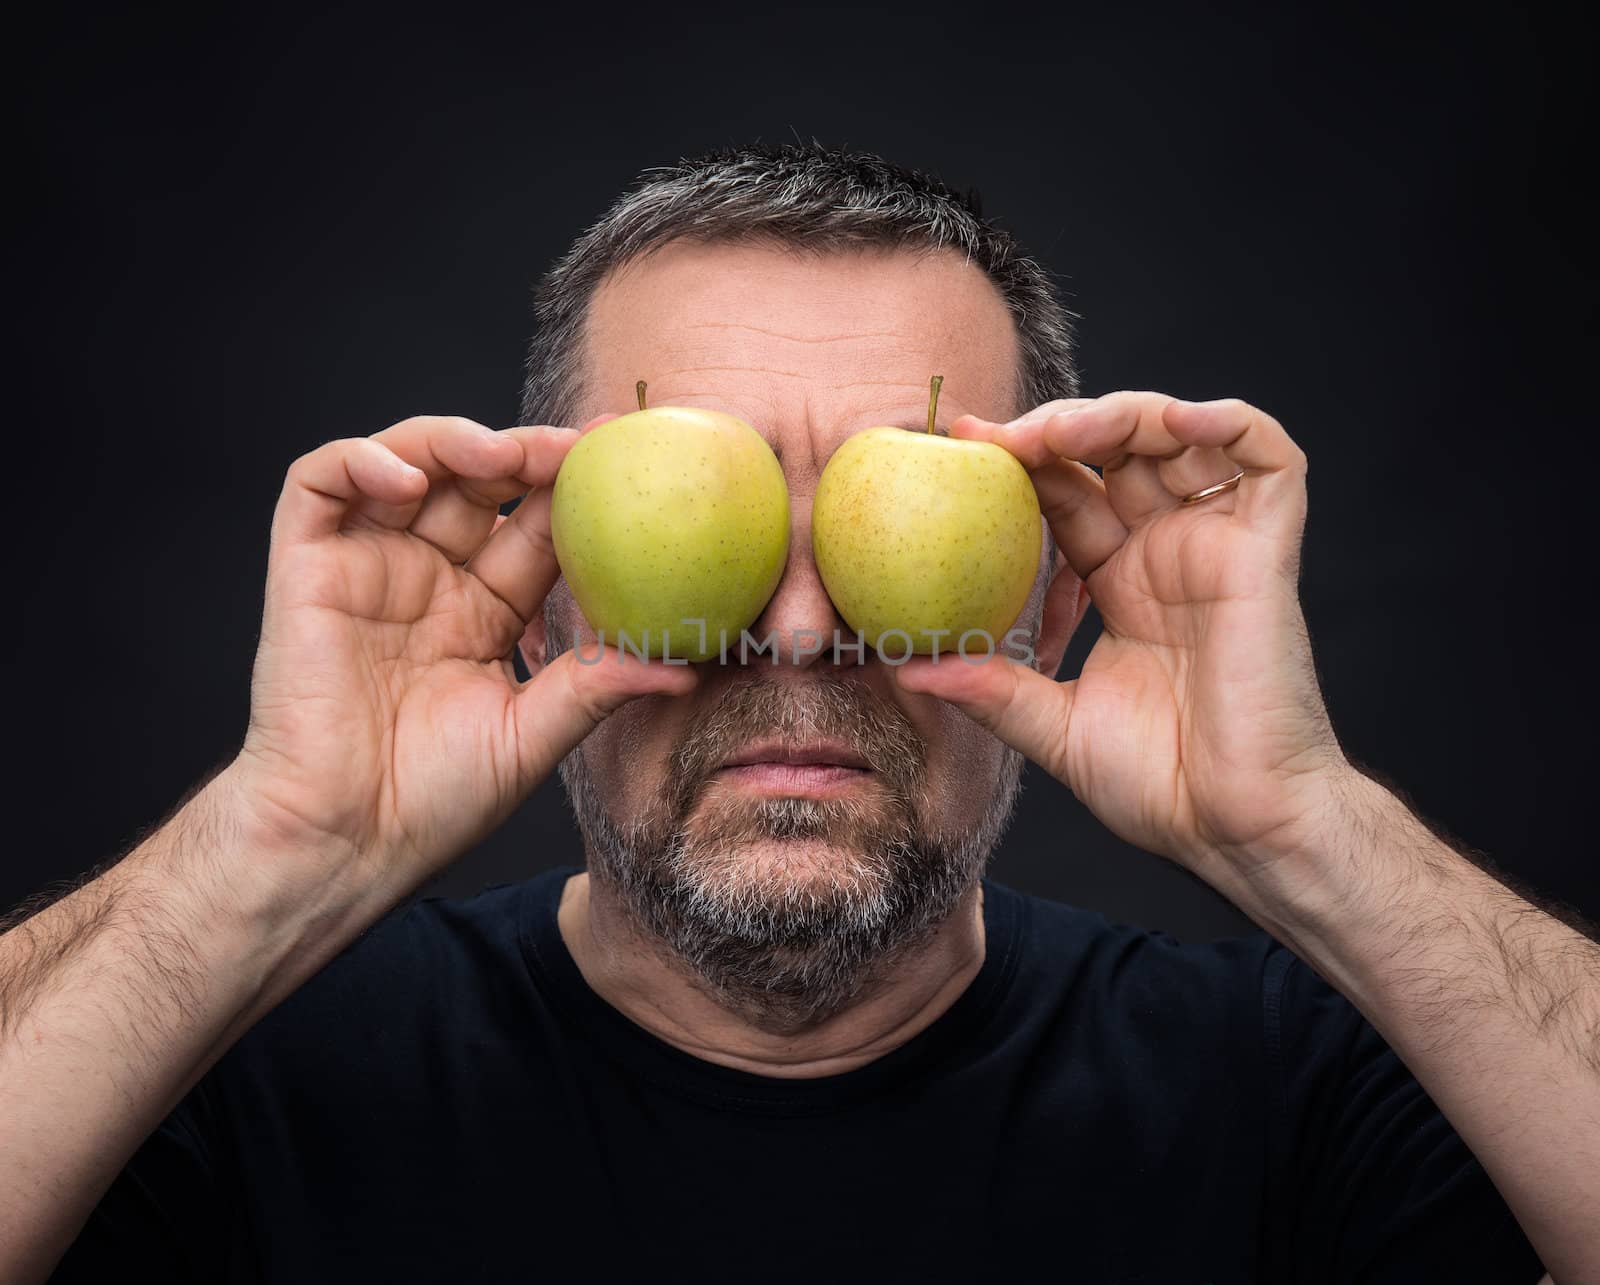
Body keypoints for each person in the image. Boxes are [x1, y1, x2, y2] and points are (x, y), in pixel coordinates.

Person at [1, 143, 1592, 1284]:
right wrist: (275, 843)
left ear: (1048, 606)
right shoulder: (219, 1070)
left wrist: (1307, 830)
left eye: (874, 528)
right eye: (725, 516)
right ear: (545, 586)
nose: (802, 626)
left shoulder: (1307, 1087)